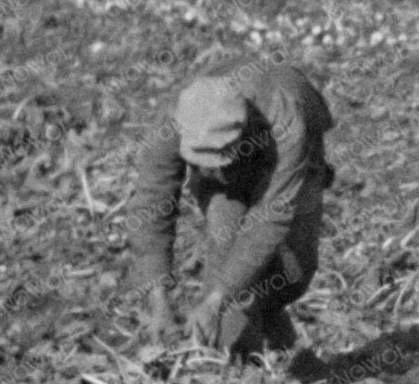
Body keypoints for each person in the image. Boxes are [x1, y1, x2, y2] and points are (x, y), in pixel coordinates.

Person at [128, 48, 336, 361]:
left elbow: (274, 217)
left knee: (293, 270)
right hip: (231, 161)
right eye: (207, 161)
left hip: (291, 155)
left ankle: (267, 320)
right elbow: (151, 200)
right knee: (225, 252)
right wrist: (157, 298)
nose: (219, 170)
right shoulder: (176, 117)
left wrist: (214, 302)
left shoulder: (286, 113)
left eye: (220, 159)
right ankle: (238, 365)